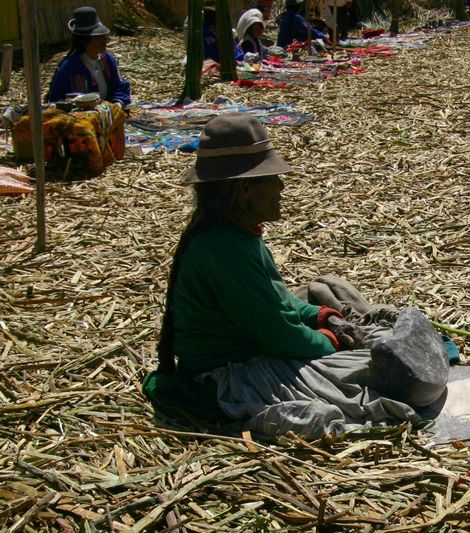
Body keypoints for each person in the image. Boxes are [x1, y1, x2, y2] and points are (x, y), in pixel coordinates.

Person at [143, 113, 431, 440]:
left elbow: (277, 301)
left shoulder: (237, 235)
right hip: (230, 374)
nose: (280, 187)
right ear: (246, 188)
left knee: (369, 346)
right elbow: (276, 335)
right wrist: (333, 343)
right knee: (371, 379)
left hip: (257, 351)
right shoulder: (224, 248)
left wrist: (325, 317)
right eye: (272, 179)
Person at [46, 7, 131, 107]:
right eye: (98, 37)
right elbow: (57, 100)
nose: (104, 41)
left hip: (106, 115)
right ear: (83, 41)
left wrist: (117, 103)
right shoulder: (69, 68)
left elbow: (119, 87)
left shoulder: (108, 60)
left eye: (104, 36)